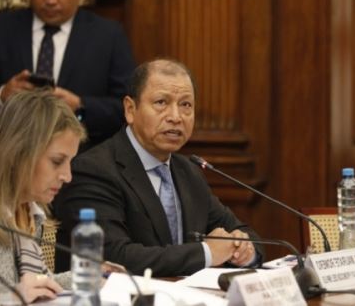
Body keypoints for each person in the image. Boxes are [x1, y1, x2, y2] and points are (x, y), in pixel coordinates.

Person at [53, 59, 265, 276]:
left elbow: (246, 234)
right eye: (161, 102)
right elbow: (113, 257)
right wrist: (207, 253)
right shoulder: (94, 170)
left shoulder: (188, 170)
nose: (175, 117)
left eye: (186, 105)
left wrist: (244, 250)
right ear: (130, 109)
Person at [0, 0, 135, 151]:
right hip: (10, 162)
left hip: (82, 166)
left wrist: (80, 107)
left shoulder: (109, 35)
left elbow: (128, 108)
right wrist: (2, 96)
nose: (50, 0)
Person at [0, 89, 86, 304]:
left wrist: (89, 277)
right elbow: (16, 293)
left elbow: (36, 285)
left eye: (70, 162)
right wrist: (10, 298)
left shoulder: (26, 211)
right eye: (57, 161)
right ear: (20, 153)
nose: (67, 176)